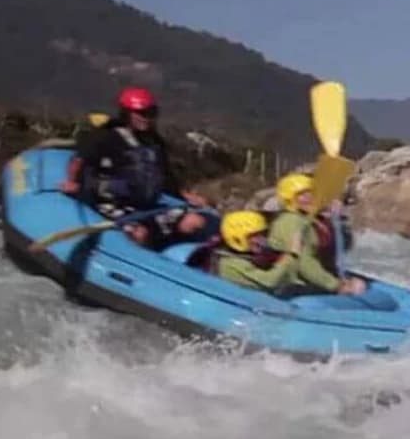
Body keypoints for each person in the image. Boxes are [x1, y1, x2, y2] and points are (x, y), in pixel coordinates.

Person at [59, 87, 208, 248]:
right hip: (113, 204)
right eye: (141, 113)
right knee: (139, 234)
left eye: (151, 113)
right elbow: (79, 160)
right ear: (127, 114)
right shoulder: (106, 138)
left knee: (194, 222)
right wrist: (72, 183)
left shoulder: (155, 142)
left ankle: (174, 258)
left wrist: (184, 197)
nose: (147, 118)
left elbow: (165, 174)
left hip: (146, 205)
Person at [266, 172, 366, 296]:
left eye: (312, 192)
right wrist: (337, 285)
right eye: (302, 195)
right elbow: (303, 262)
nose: (309, 197)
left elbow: (342, 248)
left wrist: (337, 219)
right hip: (292, 286)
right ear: (289, 199)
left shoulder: (312, 219)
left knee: (361, 285)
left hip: (310, 280)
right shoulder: (291, 222)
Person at [210, 210, 296, 293]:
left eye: (262, 234)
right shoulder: (230, 263)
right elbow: (270, 282)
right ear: (237, 238)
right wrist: (291, 256)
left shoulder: (247, 255)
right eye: (254, 236)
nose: (260, 239)